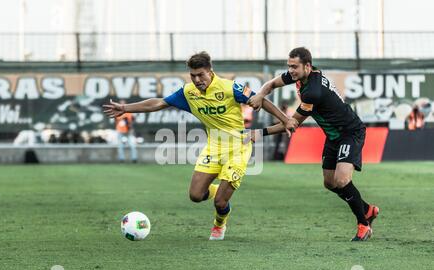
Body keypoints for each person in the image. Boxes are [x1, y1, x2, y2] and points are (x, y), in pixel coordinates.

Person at [103, 51, 296, 240]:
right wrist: (125, 108)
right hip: (214, 147)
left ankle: (219, 224)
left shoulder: (230, 88)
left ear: (210, 72)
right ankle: (219, 191)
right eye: (192, 75)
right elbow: (159, 103)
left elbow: (261, 100)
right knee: (195, 195)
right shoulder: (189, 92)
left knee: (220, 202)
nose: (196, 80)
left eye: (200, 75)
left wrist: (286, 120)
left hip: (239, 146)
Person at [247, 47, 379, 241]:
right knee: (329, 183)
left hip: (350, 132)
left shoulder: (313, 92)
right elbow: (272, 83)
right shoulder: (301, 76)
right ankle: (367, 209)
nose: (291, 70)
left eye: (294, 67)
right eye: (289, 66)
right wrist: (260, 94)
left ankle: (363, 224)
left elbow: (292, 124)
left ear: (307, 66)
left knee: (342, 180)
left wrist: (259, 133)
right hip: (333, 136)